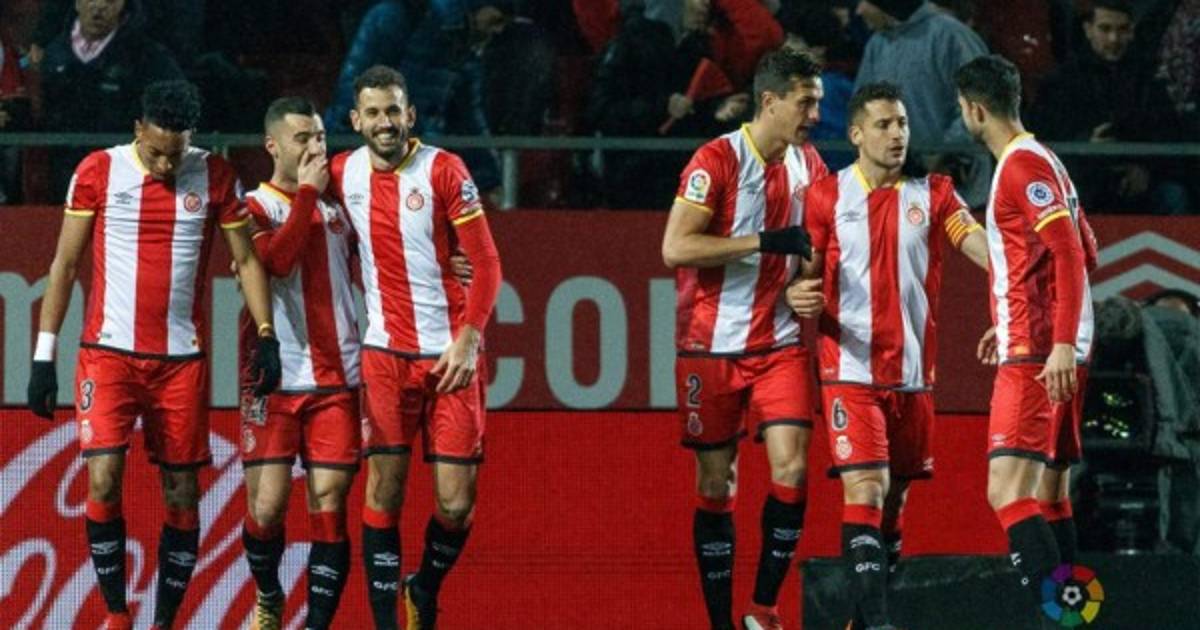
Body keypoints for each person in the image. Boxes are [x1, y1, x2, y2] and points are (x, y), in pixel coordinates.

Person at [25, 80, 281, 630]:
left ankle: (164, 621)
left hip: (180, 364)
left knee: (183, 493)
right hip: (108, 356)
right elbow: (64, 265)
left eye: (176, 153)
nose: (167, 165)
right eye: (157, 151)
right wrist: (44, 357)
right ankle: (117, 615)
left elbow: (248, 261)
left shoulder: (215, 175)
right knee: (103, 479)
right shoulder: (98, 171)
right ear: (138, 129)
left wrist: (267, 334)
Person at [786, 81, 988, 630]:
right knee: (867, 490)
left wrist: (1018, 270)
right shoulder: (825, 197)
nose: (897, 134)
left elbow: (975, 242)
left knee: (893, 505)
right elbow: (804, 277)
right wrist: (797, 294)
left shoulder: (935, 193)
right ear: (855, 134)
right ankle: (877, 625)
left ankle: (860, 620)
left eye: (902, 124)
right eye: (883, 125)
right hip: (849, 370)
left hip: (913, 378)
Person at [328, 65, 502, 630]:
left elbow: (488, 263)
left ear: (410, 114)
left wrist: (469, 338)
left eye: (393, 111)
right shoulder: (342, 172)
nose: (385, 123)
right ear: (356, 120)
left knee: (456, 504)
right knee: (384, 490)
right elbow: (297, 213)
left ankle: (422, 587)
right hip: (383, 355)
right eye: (373, 113)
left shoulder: (444, 170)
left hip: (450, 356)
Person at [661, 48, 828, 630]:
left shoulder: (810, 164)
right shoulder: (716, 160)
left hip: (779, 343)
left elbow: (817, 246)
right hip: (710, 345)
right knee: (717, 482)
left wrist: (806, 284)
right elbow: (676, 247)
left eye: (818, 103)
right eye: (805, 103)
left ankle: (763, 609)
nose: (814, 115)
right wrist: (762, 241)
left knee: (794, 470)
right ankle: (719, 622)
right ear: (770, 101)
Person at [956, 54, 1098, 623]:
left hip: (1040, 354)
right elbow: (1088, 249)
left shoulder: (1019, 167)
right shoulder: (1047, 160)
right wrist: (1014, 312)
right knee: (1049, 494)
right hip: (1054, 343)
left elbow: (1070, 253)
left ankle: (1060, 619)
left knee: (1007, 493)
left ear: (974, 109)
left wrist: (1052, 339)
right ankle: (1075, 617)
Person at [235, 97, 361, 630]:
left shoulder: (340, 207)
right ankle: (269, 594)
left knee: (329, 506)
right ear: (273, 146)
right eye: (302, 139)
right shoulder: (253, 207)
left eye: (320, 137)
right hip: (274, 376)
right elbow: (277, 262)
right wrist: (308, 193)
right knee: (266, 509)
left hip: (337, 375)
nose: (315, 148)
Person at [1029, 0, 1189, 214]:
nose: (1114, 38)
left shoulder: (1148, 80)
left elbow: (1169, 135)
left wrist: (1146, 170)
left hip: (1139, 184)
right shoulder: (1061, 82)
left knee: (1173, 196)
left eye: (1122, 29)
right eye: (1105, 29)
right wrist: (1085, 145)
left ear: (1132, 31)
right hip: (1080, 180)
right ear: (1088, 30)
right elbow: (1043, 139)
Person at [38, 0, 184, 200]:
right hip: (64, 174)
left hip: (125, 175)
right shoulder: (52, 53)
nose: (99, 5)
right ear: (77, 3)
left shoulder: (147, 56)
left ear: (123, 4)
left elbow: (174, 104)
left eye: (110, 0)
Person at [852, 0, 989, 206]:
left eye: (866, 2)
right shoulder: (877, 44)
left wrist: (943, 154)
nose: (859, 10)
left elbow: (980, 104)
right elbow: (861, 109)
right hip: (896, 194)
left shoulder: (952, 37)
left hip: (958, 197)